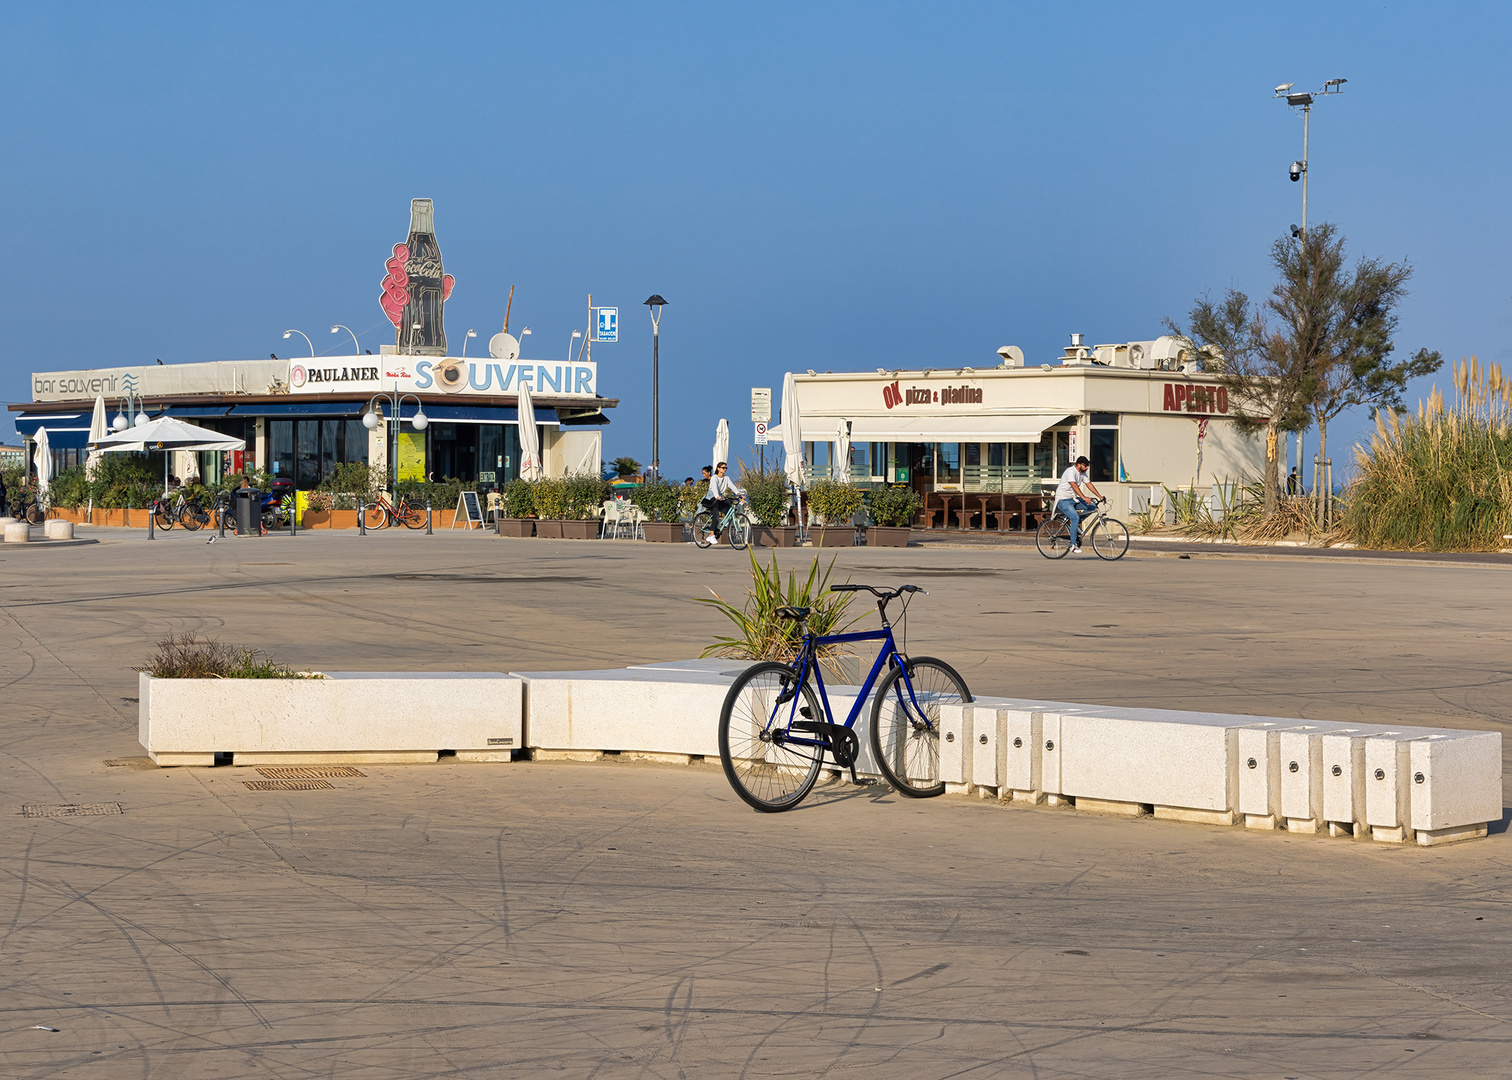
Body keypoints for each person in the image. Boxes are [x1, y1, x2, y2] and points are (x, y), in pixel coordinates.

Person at [1054, 455, 1103, 554]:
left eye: (1088, 465)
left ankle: (1075, 526)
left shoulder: (1083, 474)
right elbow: (1074, 485)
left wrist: (1100, 496)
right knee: (1075, 517)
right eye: (1085, 465)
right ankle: (1073, 545)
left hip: (1073, 499)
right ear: (1078, 464)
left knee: (1092, 506)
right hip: (1063, 500)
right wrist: (1084, 497)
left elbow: (1089, 484)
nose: (1087, 467)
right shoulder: (1070, 471)